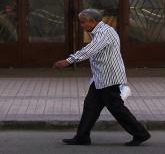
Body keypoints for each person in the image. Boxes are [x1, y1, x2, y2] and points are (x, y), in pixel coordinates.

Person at [54, 9, 151, 147]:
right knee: (90, 107)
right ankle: (82, 137)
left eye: (83, 22)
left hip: (109, 78)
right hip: (100, 78)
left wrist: (68, 60)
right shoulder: (100, 31)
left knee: (117, 108)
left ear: (92, 21)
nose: (82, 25)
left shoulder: (105, 32)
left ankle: (140, 133)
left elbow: (90, 49)